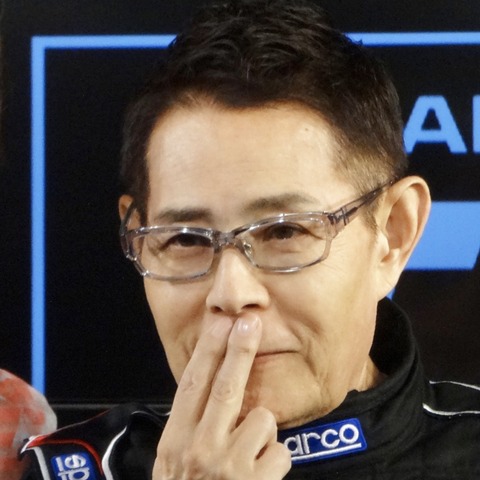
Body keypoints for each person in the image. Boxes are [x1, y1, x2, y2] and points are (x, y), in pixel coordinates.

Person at [20, 0, 480, 478]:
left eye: (284, 230)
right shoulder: (64, 469)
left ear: (393, 235)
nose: (232, 294)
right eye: (185, 239)